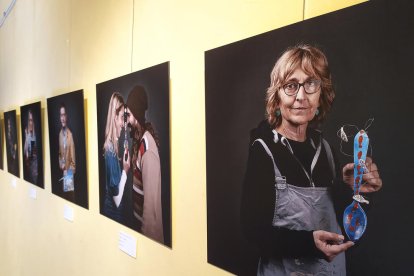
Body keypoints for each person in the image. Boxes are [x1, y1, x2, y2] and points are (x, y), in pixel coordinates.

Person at [241, 45, 382, 275]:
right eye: (290, 86)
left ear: (321, 95)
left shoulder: (325, 150)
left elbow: (342, 223)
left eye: (311, 84)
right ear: (276, 97)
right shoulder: (263, 150)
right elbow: (253, 232)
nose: (301, 96)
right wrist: (308, 244)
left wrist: (358, 191)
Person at [126, 85, 164, 243]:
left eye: (128, 114)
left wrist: (144, 243)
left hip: (149, 237)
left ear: (136, 113)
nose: (126, 119)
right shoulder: (139, 142)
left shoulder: (148, 149)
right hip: (139, 232)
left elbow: (150, 211)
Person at [103, 92, 131, 223]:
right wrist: (125, 170)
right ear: (114, 116)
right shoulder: (110, 151)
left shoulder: (112, 147)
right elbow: (117, 200)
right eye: (121, 117)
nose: (123, 123)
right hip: (112, 216)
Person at [58, 103, 76, 200]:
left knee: (69, 198)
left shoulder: (70, 135)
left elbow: (73, 162)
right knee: (63, 198)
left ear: (67, 116)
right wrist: (61, 163)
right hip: (63, 172)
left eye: (64, 115)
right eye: (61, 115)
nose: (63, 118)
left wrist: (68, 175)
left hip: (68, 175)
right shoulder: (60, 134)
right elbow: (60, 154)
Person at [24, 109, 38, 184]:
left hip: (35, 170)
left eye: (32, 120)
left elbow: (33, 153)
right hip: (28, 169)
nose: (30, 123)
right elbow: (25, 150)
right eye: (29, 120)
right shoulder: (27, 132)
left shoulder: (36, 135)